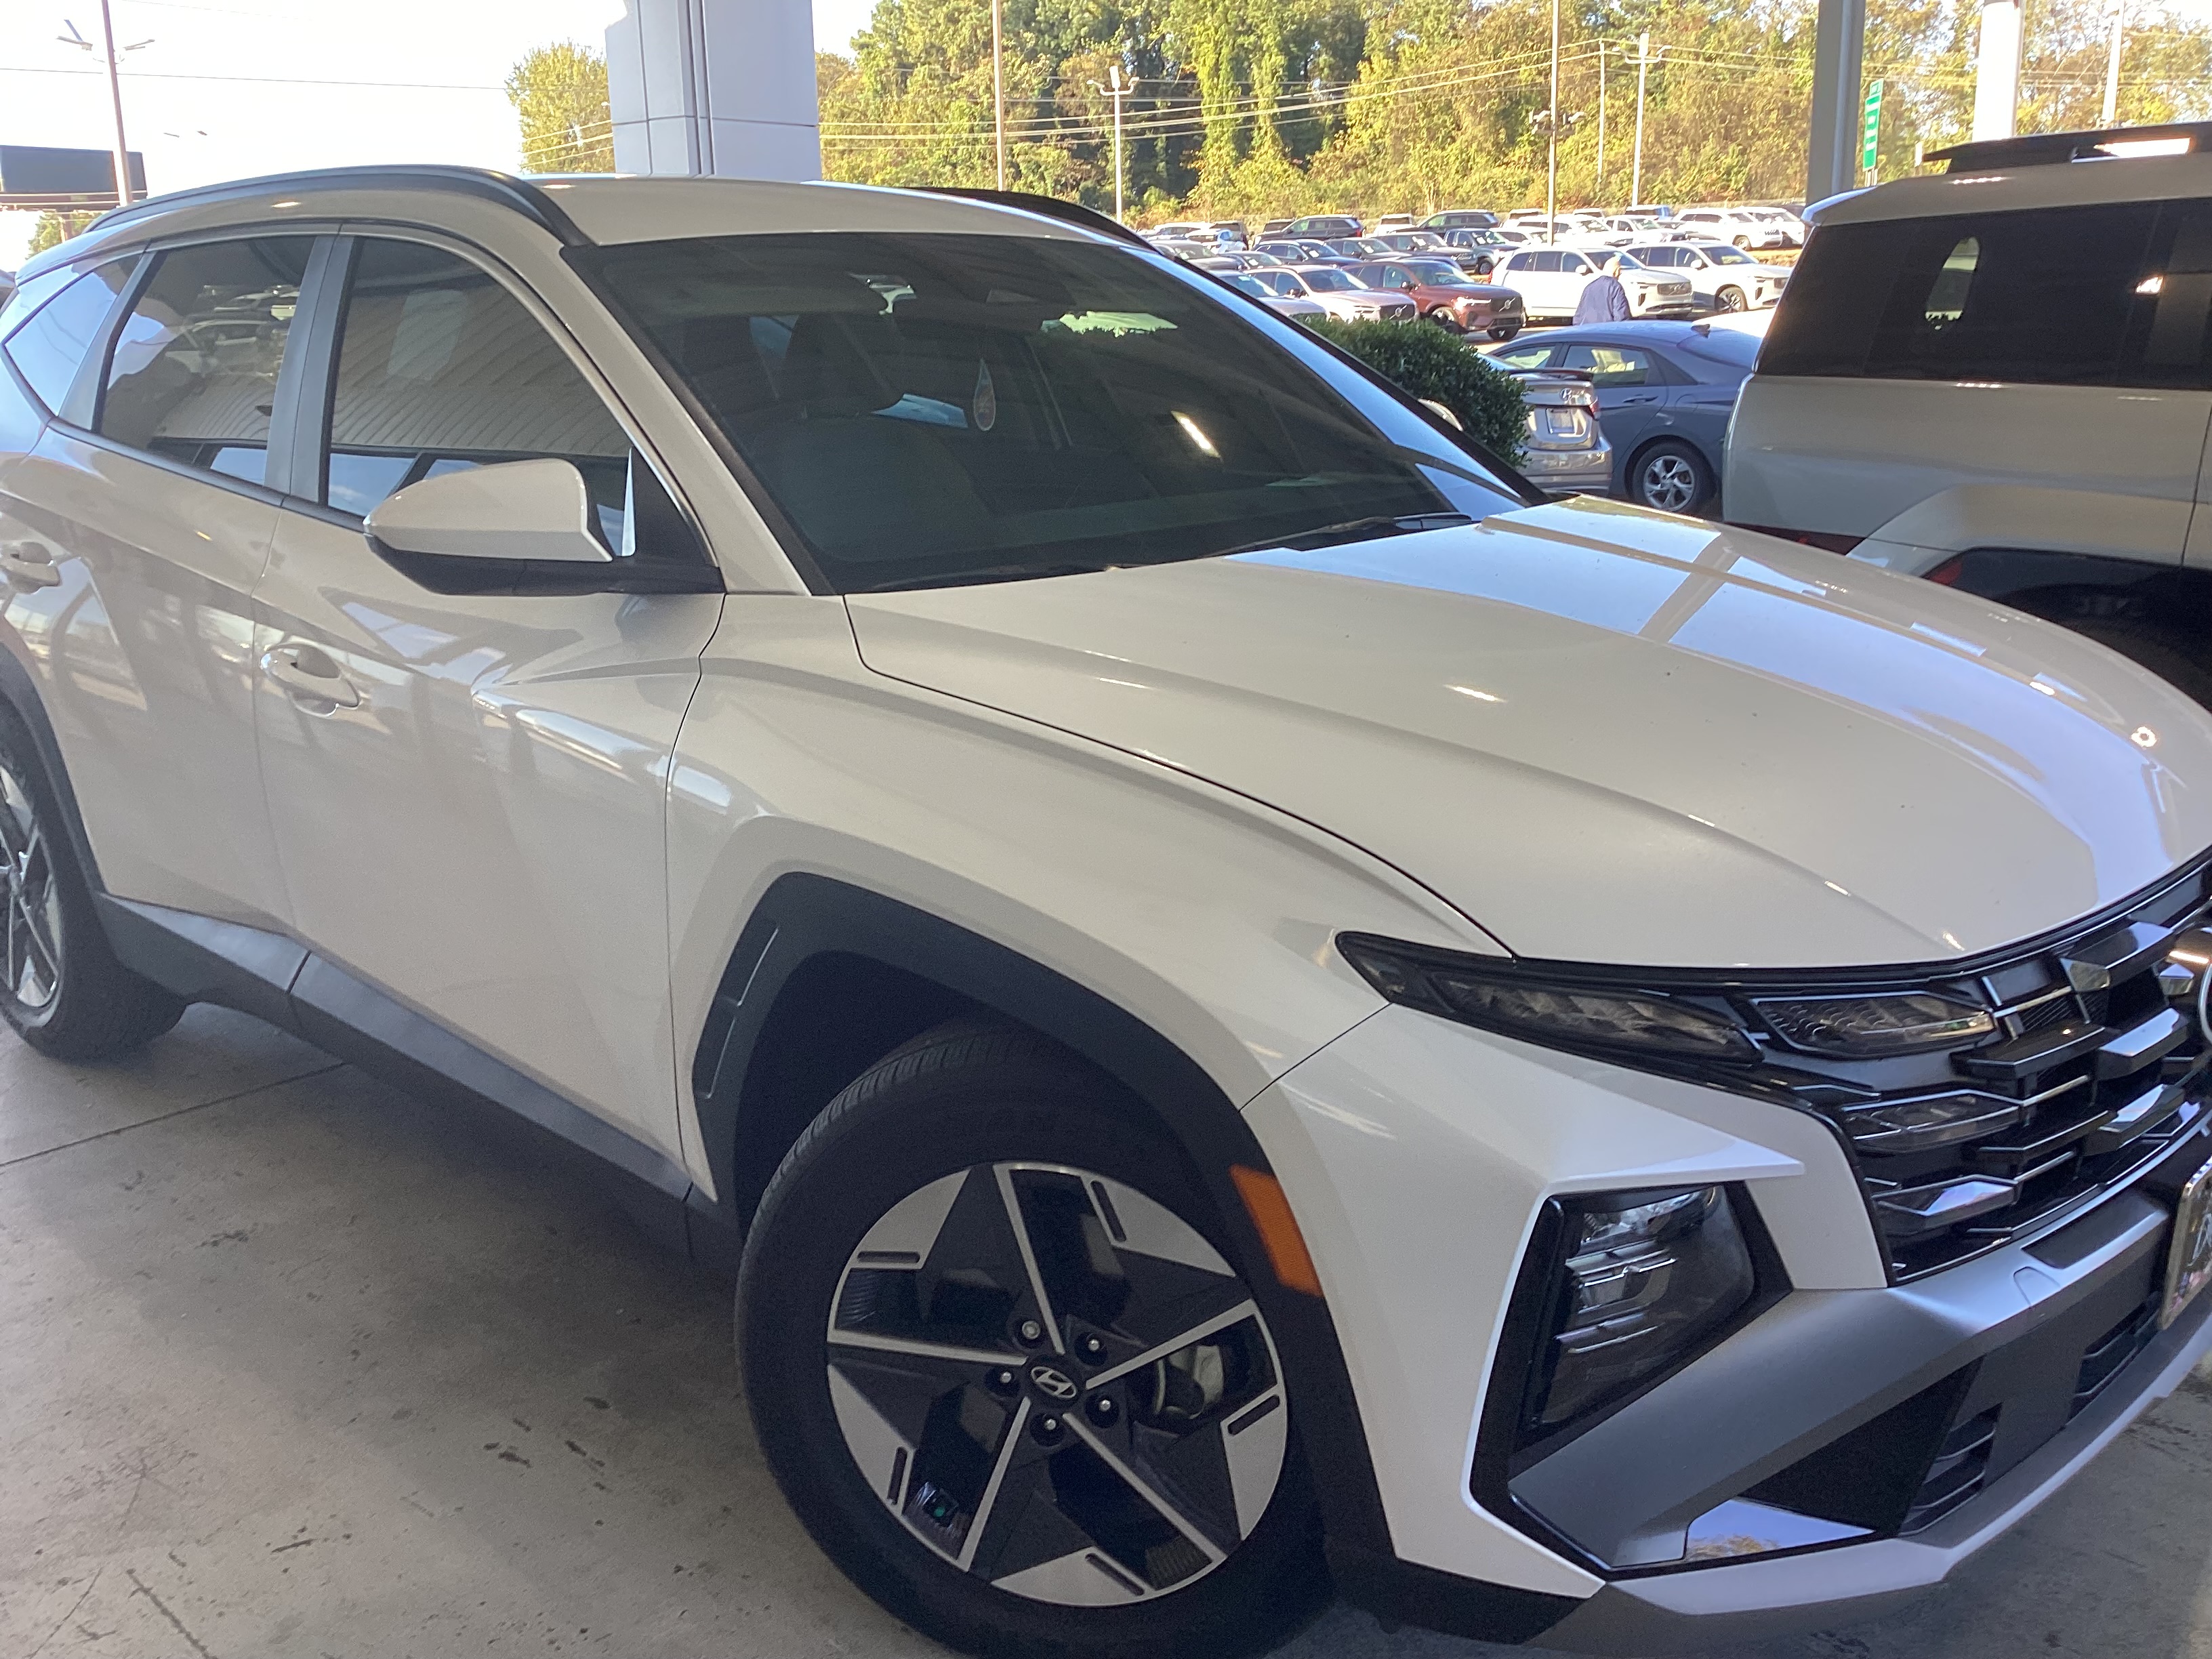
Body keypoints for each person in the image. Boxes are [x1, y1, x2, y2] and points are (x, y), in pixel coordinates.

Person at [1574, 255, 1633, 324]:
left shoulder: (1589, 288)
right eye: (1620, 271)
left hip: (1586, 329)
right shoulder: (1615, 287)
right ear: (1617, 271)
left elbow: (1578, 317)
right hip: (1606, 329)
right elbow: (1621, 316)